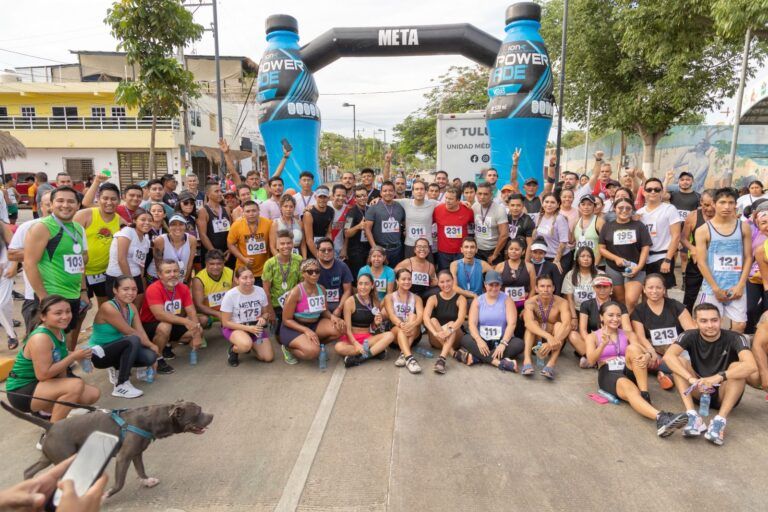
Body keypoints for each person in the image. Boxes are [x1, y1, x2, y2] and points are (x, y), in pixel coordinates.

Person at [585, 301, 689, 438]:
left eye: (618, 315)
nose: (615, 319)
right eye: (610, 315)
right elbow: (591, 360)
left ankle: (644, 394)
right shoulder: (593, 336)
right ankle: (661, 417)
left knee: (632, 348)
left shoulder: (628, 334)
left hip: (629, 369)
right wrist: (603, 344)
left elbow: (639, 349)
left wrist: (646, 355)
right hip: (609, 372)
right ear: (601, 317)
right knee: (629, 389)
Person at [663, 303, 756, 446]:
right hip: (699, 389)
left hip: (725, 392)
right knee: (679, 361)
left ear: (721, 320)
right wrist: (690, 378)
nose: (710, 325)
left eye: (714, 320)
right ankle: (692, 416)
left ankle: (719, 421)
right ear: (696, 322)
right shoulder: (689, 335)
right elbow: (668, 357)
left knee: (738, 367)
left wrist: (718, 377)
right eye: (704, 321)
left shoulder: (735, 337)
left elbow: (751, 365)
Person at [6, 295, 99, 422]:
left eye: (68, 311)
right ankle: (51, 433)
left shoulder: (58, 331)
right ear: (43, 317)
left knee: (92, 394)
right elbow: (43, 375)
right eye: (58, 313)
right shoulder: (41, 338)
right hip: (21, 390)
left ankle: (47, 411)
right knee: (76, 385)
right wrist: (73, 356)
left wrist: (66, 385)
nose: (65, 316)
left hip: (41, 385)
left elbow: (60, 364)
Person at [24, 186, 88, 351]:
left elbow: (80, 262)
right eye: (60, 201)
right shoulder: (42, 227)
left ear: (78, 205)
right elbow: (29, 264)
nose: (65, 205)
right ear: (51, 205)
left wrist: (83, 291)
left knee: (65, 337)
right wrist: (44, 297)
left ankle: (62, 370)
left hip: (72, 295)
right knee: (44, 342)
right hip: (51, 296)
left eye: (71, 201)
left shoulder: (78, 229)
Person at [694, 188, 752, 333]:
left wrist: (740, 285)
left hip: (737, 286)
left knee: (740, 326)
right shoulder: (703, 230)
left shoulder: (743, 227)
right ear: (714, 204)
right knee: (709, 326)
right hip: (712, 287)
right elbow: (701, 262)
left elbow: (748, 257)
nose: (727, 207)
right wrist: (715, 288)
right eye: (722, 202)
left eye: (731, 203)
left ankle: (731, 355)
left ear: (735, 205)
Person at [90, 276, 158, 398]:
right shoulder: (108, 307)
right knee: (133, 339)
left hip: (119, 347)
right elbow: (130, 332)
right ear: (115, 290)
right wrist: (151, 345)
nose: (131, 293)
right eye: (125, 289)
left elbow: (140, 330)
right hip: (99, 354)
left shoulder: (131, 306)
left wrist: (153, 347)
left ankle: (116, 367)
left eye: (134, 289)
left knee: (150, 356)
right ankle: (121, 385)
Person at [631, 273, 696, 389]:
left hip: (678, 353)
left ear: (664, 290)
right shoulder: (638, 310)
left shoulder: (676, 306)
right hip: (655, 354)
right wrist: (651, 351)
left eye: (658, 288)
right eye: (650, 287)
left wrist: (675, 348)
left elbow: (691, 332)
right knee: (640, 359)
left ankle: (667, 374)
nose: (654, 291)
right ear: (644, 289)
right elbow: (640, 337)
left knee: (684, 364)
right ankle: (668, 373)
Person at [139, 259, 203, 374]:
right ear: (159, 274)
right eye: (168, 272)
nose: (172, 275)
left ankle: (166, 346)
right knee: (165, 326)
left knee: (196, 330)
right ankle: (157, 358)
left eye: (175, 271)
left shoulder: (183, 287)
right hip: (150, 326)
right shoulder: (153, 289)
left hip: (172, 322)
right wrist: (186, 322)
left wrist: (197, 333)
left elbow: (191, 312)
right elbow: (159, 315)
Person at [454, 270, 522, 373]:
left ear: (500, 285)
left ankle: (477, 358)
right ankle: (499, 363)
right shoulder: (478, 301)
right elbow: (472, 324)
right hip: (482, 341)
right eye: (491, 285)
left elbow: (512, 324)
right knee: (465, 339)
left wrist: (503, 344)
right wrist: (479, 340)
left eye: (497, 285)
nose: (494, 288)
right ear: (485, 285)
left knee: (519, 344)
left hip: (501, 340)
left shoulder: (507, 300)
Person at [279, 258, 345, 363]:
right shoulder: (296, 292)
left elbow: (323, 310)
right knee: (312, 352)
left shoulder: (322, 289)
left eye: (317, 271)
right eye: (310, 272)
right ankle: (288, 349)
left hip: (314, 323)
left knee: (340, 328)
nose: (314, 274)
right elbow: (286, 319)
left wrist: (333, 317)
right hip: (294, 327)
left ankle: (317, 345)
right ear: (303, 274)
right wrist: (306, 330)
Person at [8, 190, 52, 337]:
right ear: (41, 207)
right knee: (36, 337)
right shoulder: (28, 226)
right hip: (35, 295)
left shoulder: (72, 228)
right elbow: (12, 254)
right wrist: (42, 252)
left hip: (64, 292)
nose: (52, 207)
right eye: (48, 204)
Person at [598, 197, 651, 314]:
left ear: (632, 210)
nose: (624, 210)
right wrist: (615, 258)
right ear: (614, 209)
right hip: (613, 268)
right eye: (620, 208)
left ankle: (631, 327)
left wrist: (639, 267)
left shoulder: (639, 225)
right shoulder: (607, 226)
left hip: (635, 267)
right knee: (620, 301)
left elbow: (645, 247)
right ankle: (623, 328)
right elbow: (601, 248)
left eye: (628, 208)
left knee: (631, 300)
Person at [74, 183, 123, 306]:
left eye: (113, 199)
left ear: (119, 201)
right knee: (80, 311)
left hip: (104, 273)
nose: (109, 202)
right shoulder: (85, 215)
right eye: (105, 198)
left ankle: (97, 326)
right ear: (98, 199)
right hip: (80, 273)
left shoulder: (121, 221)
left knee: (105, 307)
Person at [335, 273, 394, 368]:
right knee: (338, 347)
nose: (363, 287)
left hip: (367, 339)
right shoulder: (350, 301)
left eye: (366, 284)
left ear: (372, 285)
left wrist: (376, 323)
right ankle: (375, 352)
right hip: (351, 338)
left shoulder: (375, 301)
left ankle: (360, 358)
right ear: (357, 285)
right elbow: (348, 330)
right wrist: (356, 344)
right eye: (360, 284)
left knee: (390, 335)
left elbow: (373, 328)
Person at [221, 266, 275, 367]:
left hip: (255, 327)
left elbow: (266, 313)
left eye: (251, 277)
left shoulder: (260, 291)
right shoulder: (230, 295)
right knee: (245, 345)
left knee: (268, 357)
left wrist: (263, 318)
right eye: (244, 278)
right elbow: (225, 322)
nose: (249, 280)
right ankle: (234, 350)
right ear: (237, 280)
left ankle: (251, 344)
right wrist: (248, 328)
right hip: (235, 327)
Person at [521, 275, 571, 379]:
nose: (545, 289)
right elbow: (528, 323)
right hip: (536, 341)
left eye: (548, 286)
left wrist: (551, 342)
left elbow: (567, 324)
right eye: (542, 286)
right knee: (532, 324)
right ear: (536, 288)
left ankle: (551, 365)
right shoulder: (530, 302)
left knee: (559, 325)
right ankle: (527, 361)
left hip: (555, 343)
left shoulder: (562, 302)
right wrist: (548, 337)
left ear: (553, 288)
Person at [637, 178, 682, 289]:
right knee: (645, 292)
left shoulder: (669, 209)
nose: (653, 192)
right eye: (649, 189)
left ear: (662, 192)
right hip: (644, 259)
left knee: (661, 293)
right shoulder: (639, 213)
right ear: (644, 192)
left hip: (662, 257)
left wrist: (668, 260)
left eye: (657, 189)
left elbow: (676, 236)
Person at [422, 270, 467, 374]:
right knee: (433, 320)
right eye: (442, 282)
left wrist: (450, 330)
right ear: (438, 283)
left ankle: (442, 359)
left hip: (454, 337)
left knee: (452, 323)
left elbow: (460, 320)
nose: (445, 284)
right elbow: (425, 317)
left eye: (448, 281)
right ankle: (452, 353)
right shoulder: (433, 298)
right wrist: (435, 333)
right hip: (437, 338)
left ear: (453, 281)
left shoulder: (461, 298)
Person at [105, 207, 151, 307]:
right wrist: (130, 281)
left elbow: (141, 262)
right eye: (143, 219)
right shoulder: (127, 232)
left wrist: (140, 277)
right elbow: (121, 259)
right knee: (119, 308)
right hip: (117, 276)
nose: (147, 223)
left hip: (135, 276)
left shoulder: (146, 239)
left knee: (136, 306)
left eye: (150, 220)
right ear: (135, 220)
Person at [261, 230, 302, 333]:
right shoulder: (270, 264)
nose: (285, 246)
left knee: (295, 331)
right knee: (279, 335)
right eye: (282, 243)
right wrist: (271, 312)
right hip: (276, 305)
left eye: (288, 243)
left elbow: (301, 285)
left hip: (294, 303)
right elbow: (266, 292)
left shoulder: (299, 260)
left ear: (292, 244)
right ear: (277, 245)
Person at [384, 268, 424, 374]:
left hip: (413, 334)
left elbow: (420, 317)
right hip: (395, 333)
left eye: (409, 279)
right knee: (401, 329)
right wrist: (402, 324)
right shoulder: (389, 297)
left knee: (413, 316)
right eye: (403, 279)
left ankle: (404, 354)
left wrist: (411, 325)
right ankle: (409, 358)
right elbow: (391, 315)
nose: (407, 281)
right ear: (397, 281)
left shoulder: (417, 298)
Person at [680, 189, 715, 312]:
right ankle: (685, 323)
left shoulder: (725, 216)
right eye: (706, 205)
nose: (709, 209)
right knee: (689, 296)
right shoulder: (693, 216)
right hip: (696, 262)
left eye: (713, 204)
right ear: (700, 202)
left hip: (716, 264)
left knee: (714, 297)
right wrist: (692, 248)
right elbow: (683, 237)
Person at [562, 246, 598, 356]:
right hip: (577, 310)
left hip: (595, 311)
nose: (586, 259)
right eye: (582, 256)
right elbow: (569, 298)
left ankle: (589, 354)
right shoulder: (570, 275)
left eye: (589, 256)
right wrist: (573, 317)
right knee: (573, 334)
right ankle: (589, 355)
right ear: (577, 259)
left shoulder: (600, 274)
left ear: (593, 259)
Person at [227, 200, 272, 286]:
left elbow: (273, 243)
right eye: (248, 211)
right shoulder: (236, 225)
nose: (251, 214)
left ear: (259, 211)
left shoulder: (268, 223)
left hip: (264, 269)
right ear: (243, 213)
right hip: (243, 270)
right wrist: (243, 258)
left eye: (254, 211)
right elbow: (230, 244)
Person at [533, 193, 571, 290]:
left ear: (558, 204)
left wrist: (556, 260)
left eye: (552, 202)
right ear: (542, 203)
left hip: (560, 257)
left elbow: (563, 242)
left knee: (556, 286)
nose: (549, 205)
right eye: (547, 202)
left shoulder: (560, 219)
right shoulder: (538, 217)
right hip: (544, 257)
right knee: (544, 286)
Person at [364, 180, 406, 267]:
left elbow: (404, 223)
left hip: (397, 249)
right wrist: (374, 248)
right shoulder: (373, 208)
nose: (388, 193)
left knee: (395, 275)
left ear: (394, 192)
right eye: (385, 191)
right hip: (380, 249)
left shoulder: (399, 206)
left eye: (391, 190)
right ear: (381, 193)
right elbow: (367, 229)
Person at [433, 186, 474, 271]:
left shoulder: (468, 210)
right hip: (443, 252)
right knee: (444, 276)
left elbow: (472, 223)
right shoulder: (437, 210)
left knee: (461, 276)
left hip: (461, 252)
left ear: (458, 200)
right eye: (446, 198)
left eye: (451, 199)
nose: (447, 201)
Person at [396, 179, 438, 261]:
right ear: (412, 192)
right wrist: (376, 200)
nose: (419, 191)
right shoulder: (406, 202)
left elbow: (448, 202)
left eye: (422, 189)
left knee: (427, 271)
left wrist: (463, 202)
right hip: (410, 244)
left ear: (425, 192)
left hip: (426, 244)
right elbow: (388, 200)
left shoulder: (432, 203)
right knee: (410, 270)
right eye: (417, 189)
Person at [149, 215, 196, 284]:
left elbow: (189, 263)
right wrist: (164, 283)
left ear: (185, 226)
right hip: (157, 276)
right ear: (169, 227)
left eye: (181, 224)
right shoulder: (160, 240)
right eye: (173, 224)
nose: (177, 227)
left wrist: (185, 280)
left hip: (178, 277)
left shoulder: (192, 240)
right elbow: (158, 264)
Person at [196, 180, 233, 266]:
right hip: (211, 254)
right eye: (216, 191)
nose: (220, 193)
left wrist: (231, 249)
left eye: (221, 191)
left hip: (227, 252)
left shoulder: (226, 209)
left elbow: (232, 232)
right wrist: (215, 254)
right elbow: (203, 235)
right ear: (208, 194)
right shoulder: (203, 211)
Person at [472, 183, 509, 265]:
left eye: (485, 194)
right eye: (480, 194)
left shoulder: (499, 210)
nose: (482, 197)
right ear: (476, 194)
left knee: (492, 276)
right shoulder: (475, 206)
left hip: (493, 250)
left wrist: (495, 254)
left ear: (491, 195)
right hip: (478, 250)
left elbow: (504, 235)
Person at [316, 238, 353, 317]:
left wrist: (339, 308)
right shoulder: (312, 268)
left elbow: (348, 291)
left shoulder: (343, 266)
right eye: (323, 250)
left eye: (330, 250)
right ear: (317, 252)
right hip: (318, 306)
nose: (326, 252)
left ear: (333, 251)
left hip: (339, 304)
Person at [394, 238, 438, 302]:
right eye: (419, 246)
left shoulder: (431, 266)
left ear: (428, 250)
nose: (422, 249)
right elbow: (394, 272)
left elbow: (432, 282)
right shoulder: (407, 262)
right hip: (407, 293)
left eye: (425, 247)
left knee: (437, 290)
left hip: (422, 295)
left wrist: (435, 282)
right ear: (414, 250)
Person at [450, 237, 493, 302]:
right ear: (461, 249)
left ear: (476, 250)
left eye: (472, 247)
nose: (469, 250)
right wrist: (471, 295)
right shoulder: (454, 264)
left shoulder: (482, 264)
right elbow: (454, 287)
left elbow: (496, 277)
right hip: (461, 299)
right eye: (466, 247)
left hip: (478, 299)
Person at [344, 185, 371, 277]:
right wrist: (358, 226)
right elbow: (346, 233)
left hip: (369, 249)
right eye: (359, 196)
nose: (362, 198)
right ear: (355, 199)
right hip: (356, 251)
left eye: (364, 195)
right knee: (358, 276)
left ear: (367, 196)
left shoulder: (371, 210)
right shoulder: (350, 213)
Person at [268, 194, 304, 258]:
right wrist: (281, 260)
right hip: (281, 257)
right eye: (285, 206)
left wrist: (304, 258)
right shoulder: (275, 224)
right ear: (281, 207)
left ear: (294, 208)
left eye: (291, 206)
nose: (288, 209)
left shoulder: (300, 223)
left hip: (298, 257)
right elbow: (272, 247)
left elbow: (303, 244)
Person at [302, 186, 333, 259]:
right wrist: (319, 257)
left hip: (324, 248)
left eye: (324, 197)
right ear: (315, 197)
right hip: (311, 250)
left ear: (328, 198)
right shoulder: (309, 214)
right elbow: (309, 240)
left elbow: (328, 232)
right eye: (320, 197)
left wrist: (329, 249)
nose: (322, 200)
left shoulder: (331, 211)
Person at [573, 195, 604, 266]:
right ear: (579, 206)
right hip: (578, 262)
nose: (586, 207)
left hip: (595, 263)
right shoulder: (576, 221)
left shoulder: (599, 222)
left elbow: (603, 245)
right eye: (583, 204)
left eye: (589, 204)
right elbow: (572, 241)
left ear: (594, 207)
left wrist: (595, 264)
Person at [329, 184, 351, 258]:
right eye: (338, 195)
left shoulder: (349, 210)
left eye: (343, 196)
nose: (341, 198)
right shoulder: (326, 207)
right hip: (327, 248)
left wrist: (344, 248)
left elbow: (347, 231)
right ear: (332, 195)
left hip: (340, 249)